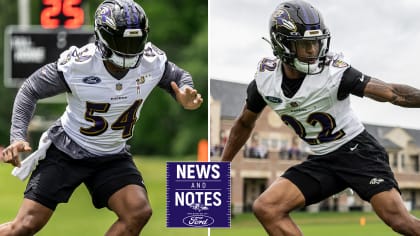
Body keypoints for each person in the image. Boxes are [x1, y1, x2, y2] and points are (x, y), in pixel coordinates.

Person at [0, 0, 203, 235]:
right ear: (102, 37)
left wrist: (185, 94)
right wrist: (17, 136)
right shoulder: (79, 64)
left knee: (138, 212)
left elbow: (179, 76)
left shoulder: (151, 61)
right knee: (24, 226)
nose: (129, 49)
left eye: (134, 41)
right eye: (122, 41)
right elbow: (30, 89)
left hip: (112, 155)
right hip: (67, 150)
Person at [221, 0, 420, 235]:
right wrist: (222, 166)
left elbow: (392, 93)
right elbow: (244, 122)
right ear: (282, 44)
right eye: (305, 44)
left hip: (359, 152)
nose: (313, 50)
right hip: (323, 159)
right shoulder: (266, 82)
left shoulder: (334, 73)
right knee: (266, 208)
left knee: (399, 220)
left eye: (316, 42)